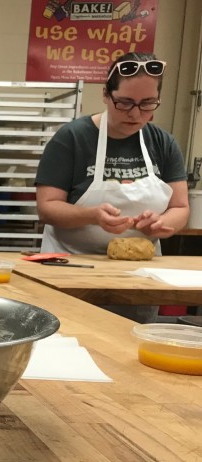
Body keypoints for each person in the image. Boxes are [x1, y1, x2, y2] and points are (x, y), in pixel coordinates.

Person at [35, 52, 189, 322]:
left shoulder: (163, 143)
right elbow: (47, 208)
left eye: (147, 104)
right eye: (125, 103)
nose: (135, 113)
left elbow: (180, 207)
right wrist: (92, 215)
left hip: (138, 281)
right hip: (72, 273)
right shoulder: (72, 138)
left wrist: (161, 223)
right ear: (106, 94)